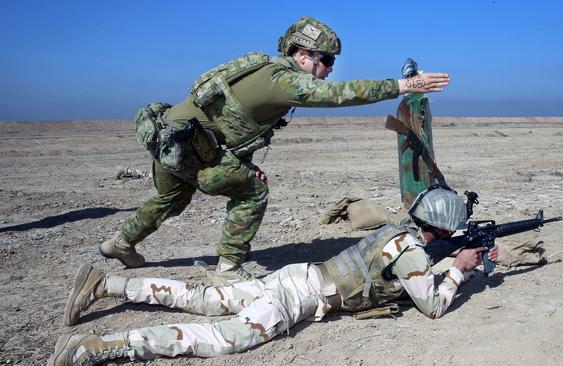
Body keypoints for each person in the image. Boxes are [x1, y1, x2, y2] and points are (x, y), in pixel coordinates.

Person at [100, 16, 451, 284]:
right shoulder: (283, 80)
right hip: (189, 146)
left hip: (170, 139)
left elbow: (230, 123)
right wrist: (403, 85)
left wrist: (240, 162)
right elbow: (338, 95)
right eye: (325, 60)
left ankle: (120, 243)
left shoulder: (262, 69)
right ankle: (229, 268)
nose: (329, 69)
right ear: (301, 54)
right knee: (254, 192)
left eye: (331, 62)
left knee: (170, 199)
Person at [49, 187, 498, 365]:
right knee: (221, 338)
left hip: (297, 276)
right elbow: (432, 306)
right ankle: (106, 347)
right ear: (439, 228)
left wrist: (448, 257)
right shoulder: (410, 249)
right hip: (299, 299)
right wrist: (459, 271)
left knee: (206, 298)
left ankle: (106, 283)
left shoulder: (398, 230)